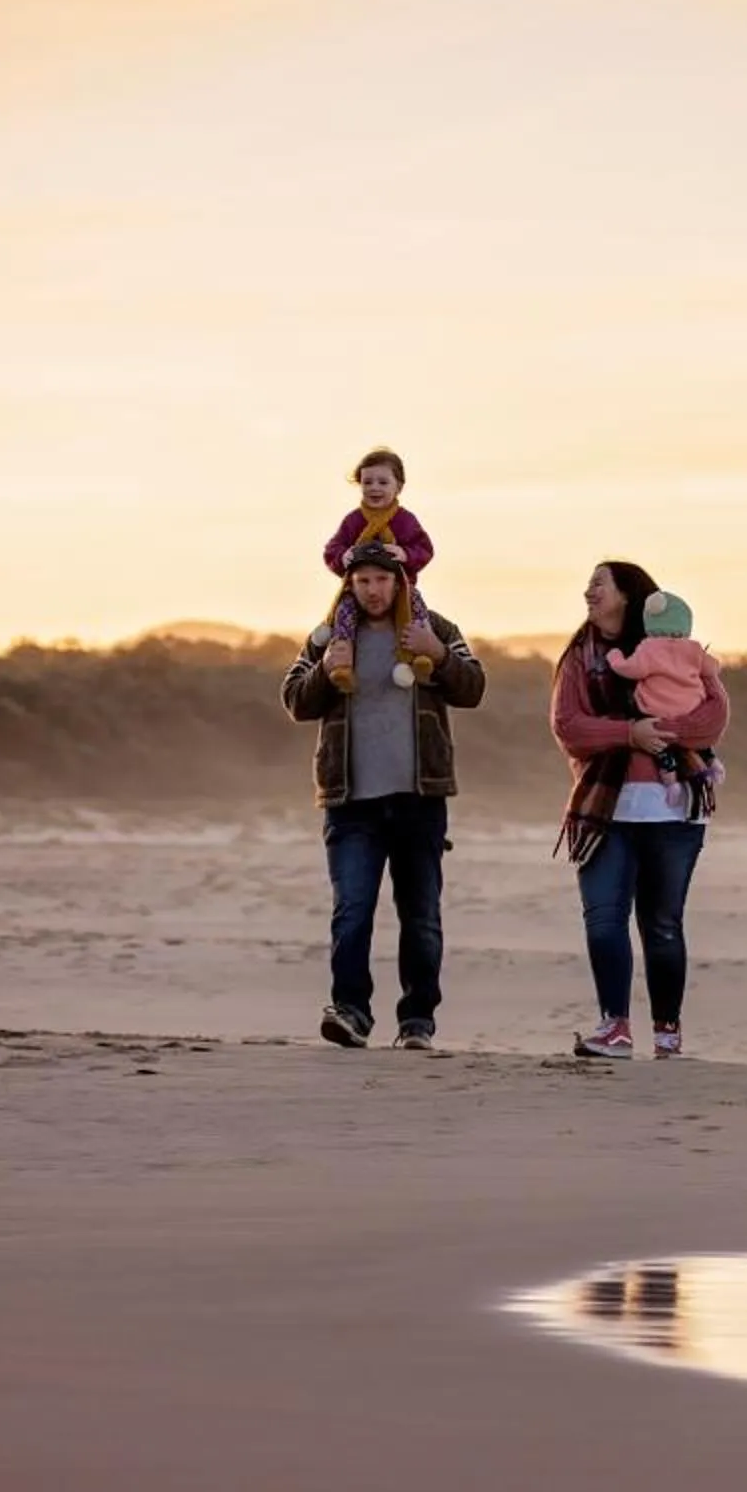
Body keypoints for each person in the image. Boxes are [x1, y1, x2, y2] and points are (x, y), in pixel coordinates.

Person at [281, 539, 486, 1051]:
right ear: (350, 583)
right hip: (350, 801)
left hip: (420, 796)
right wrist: (327, 671)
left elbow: (473, 688)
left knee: (421, 915)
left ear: (400, 581)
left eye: (382, 580)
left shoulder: (433, 629)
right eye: (363, 580)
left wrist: (437, 656)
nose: (373, 590)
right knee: (352, 910)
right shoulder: (328, 636)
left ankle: (417, 1021)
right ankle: (350, 1012)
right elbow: (294, 701)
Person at [552, 560, 728, 1059]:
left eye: (598, 584)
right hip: (604, 809)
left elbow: (712, 720)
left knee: (663, 924)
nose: (588, 591)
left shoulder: (677, 651)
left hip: (675, 814)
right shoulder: (579, 658)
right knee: (603, 919)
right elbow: (570, 727)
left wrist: (660, 733)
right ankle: (615, 1028)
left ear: (627, 595)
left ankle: (668, 1034)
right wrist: (629, 734)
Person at [318, 446, 439, 693]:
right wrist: (344, 556)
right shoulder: (353, 521)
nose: (374, 488)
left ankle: (417, 657)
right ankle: (343, 666)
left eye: (383, 482)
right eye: (367, 482)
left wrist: (406, 554)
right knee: (344, 614)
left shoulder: (406, 520)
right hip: (354, 593)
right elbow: (332, 549)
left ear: (399, 486)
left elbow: (424, 548)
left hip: (403, 588)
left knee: (416, 609)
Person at [604, 588, 724, 807]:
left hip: (657, 710)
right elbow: (712, 667)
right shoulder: (693, 649)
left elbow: (631, 669)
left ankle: (671, 784)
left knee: (660, 747)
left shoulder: (650, 648)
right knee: (698, 744)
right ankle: (713, 762)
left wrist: (615, 658)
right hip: (690, 707)